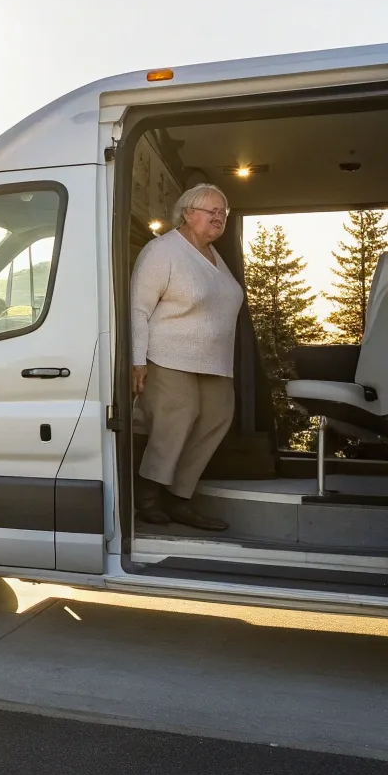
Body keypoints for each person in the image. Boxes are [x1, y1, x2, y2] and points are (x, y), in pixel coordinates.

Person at [130, 183, 243, 531]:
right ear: (188, 213)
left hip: (214, 361)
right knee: (176, 421)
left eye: (223, 212)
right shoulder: (163, 250)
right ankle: (148, 497)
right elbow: (137, 308)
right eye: (212, 210)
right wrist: (137, 360)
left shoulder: (213, 255)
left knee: (216, 419)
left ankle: (179, 499)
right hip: (168, 354)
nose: (219, 217)